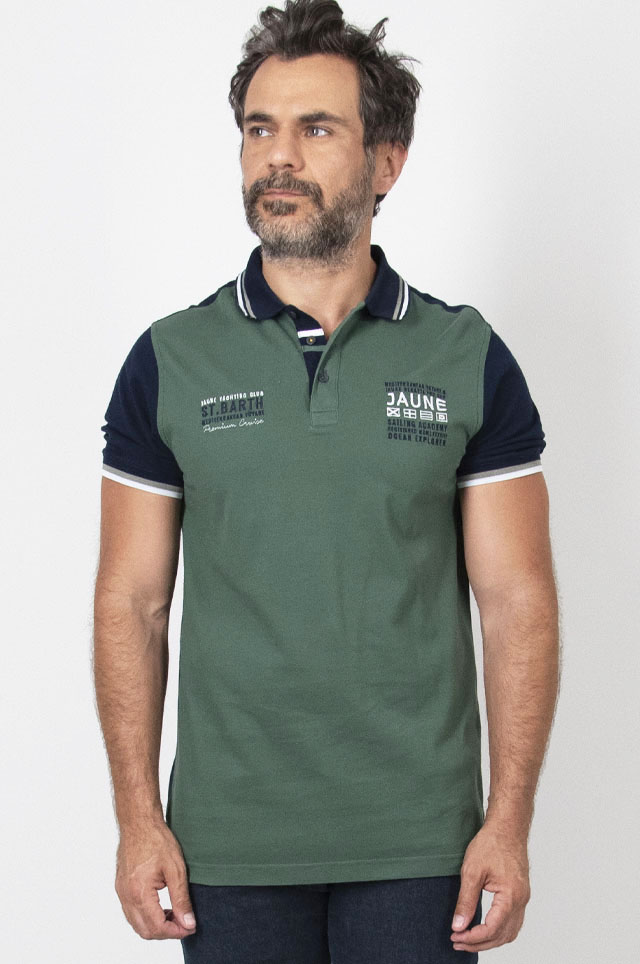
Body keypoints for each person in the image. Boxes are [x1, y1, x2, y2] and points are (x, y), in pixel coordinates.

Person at [92, 0, 560, 960]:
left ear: (387, 162)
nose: (278, 157)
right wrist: (138, 819)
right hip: (227, 849)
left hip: (423, 847)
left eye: (316, 130)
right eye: (259, 129)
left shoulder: (468, 357)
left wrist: (508, 824)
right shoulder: (168, 361)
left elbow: (517, 603)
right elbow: (131, 602)